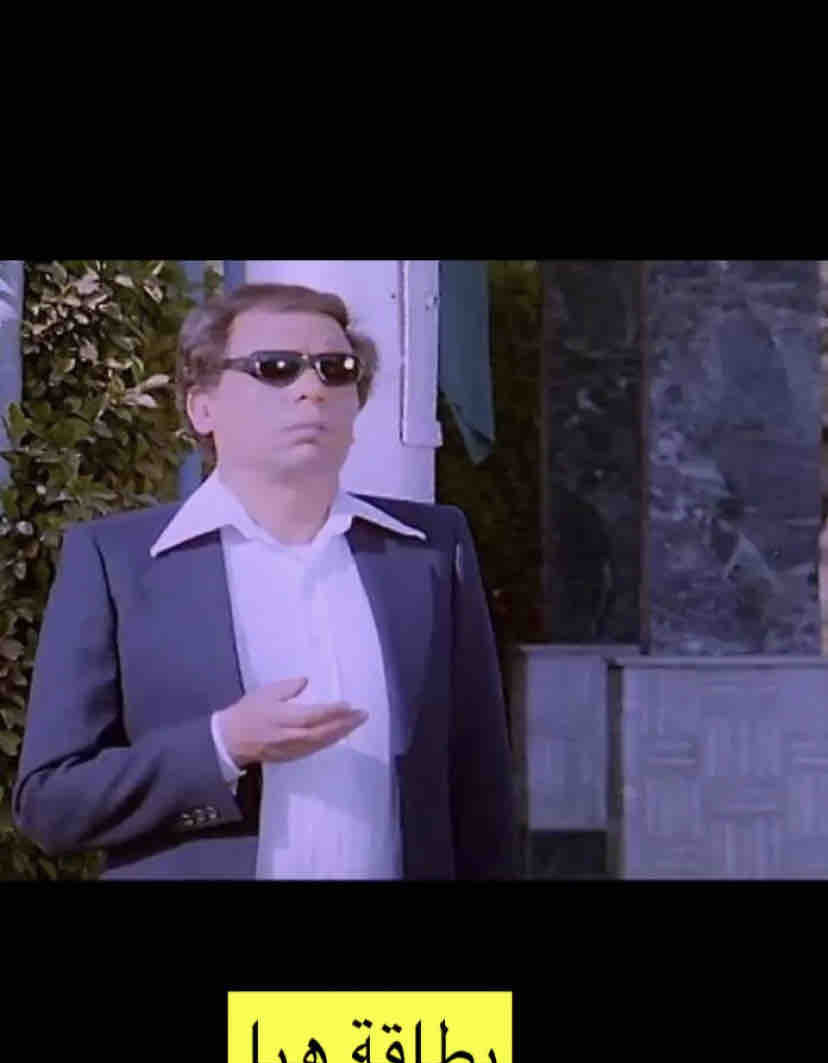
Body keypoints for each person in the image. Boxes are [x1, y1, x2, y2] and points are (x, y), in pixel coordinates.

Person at [12, 282, 516, 880]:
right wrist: (222, 745)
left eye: (336, 369)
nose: (311, 388)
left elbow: (481, 791)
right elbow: (51, 803)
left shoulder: (428, 550)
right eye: (274, 367)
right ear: (203, 408)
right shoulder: (118, 563)